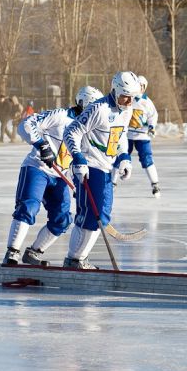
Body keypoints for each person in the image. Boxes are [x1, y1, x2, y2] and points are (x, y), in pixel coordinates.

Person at [2, 86, 104, 265]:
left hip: (61, 176)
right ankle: (12, 252)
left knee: (62, 219)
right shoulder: (60, 115)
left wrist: (80, 182)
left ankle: (34, 252)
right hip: (38, 168)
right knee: (29, 207)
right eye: (93, 107)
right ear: (83, 103)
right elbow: (25, 124)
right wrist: (42, 145)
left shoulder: (90, 130)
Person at [63, 71, 141, 269]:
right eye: (125, 96)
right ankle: (74, 259)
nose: (128, 101)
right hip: (89, 166)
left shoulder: (127, 109)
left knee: (103, 215)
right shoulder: (99, 108)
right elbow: (71, 132)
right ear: (114, 91)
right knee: (90, 214)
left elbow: (121, 135)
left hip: (106, 168)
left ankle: (80, 258)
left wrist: (124, 158)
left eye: (132, 97)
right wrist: (78, 159)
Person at [112, 75, 160, 197]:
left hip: (142, 137)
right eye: (138, 85)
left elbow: (153, 116)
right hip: (126, 135)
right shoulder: (127, 99)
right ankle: (112, 182)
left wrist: (151, 127)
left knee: (147, 158)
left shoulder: (147, 102)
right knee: (119, 156)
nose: (140, 88)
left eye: (142, 86)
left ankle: (155, 184)